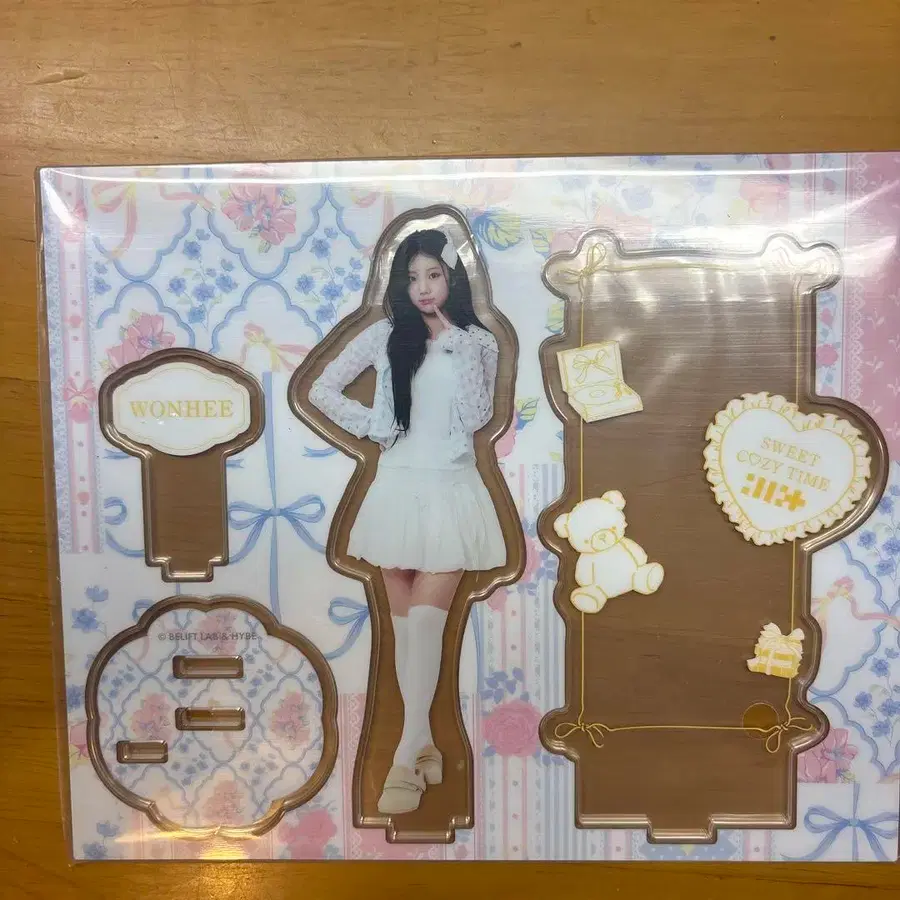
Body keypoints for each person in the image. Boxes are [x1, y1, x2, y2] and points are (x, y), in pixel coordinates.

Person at [309, 228, 507, 814]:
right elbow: (321, 388)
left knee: (424, 627)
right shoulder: (384, 334)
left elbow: (477, 416)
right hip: (396, 487)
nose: (424, 288)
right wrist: (374, 425)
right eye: (414, 277)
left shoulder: (477, 342)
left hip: (452, 488)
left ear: (452, 279)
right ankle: (421, 745)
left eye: (434, 275)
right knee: (405, 632)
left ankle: (405, 753)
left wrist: (459, 346)